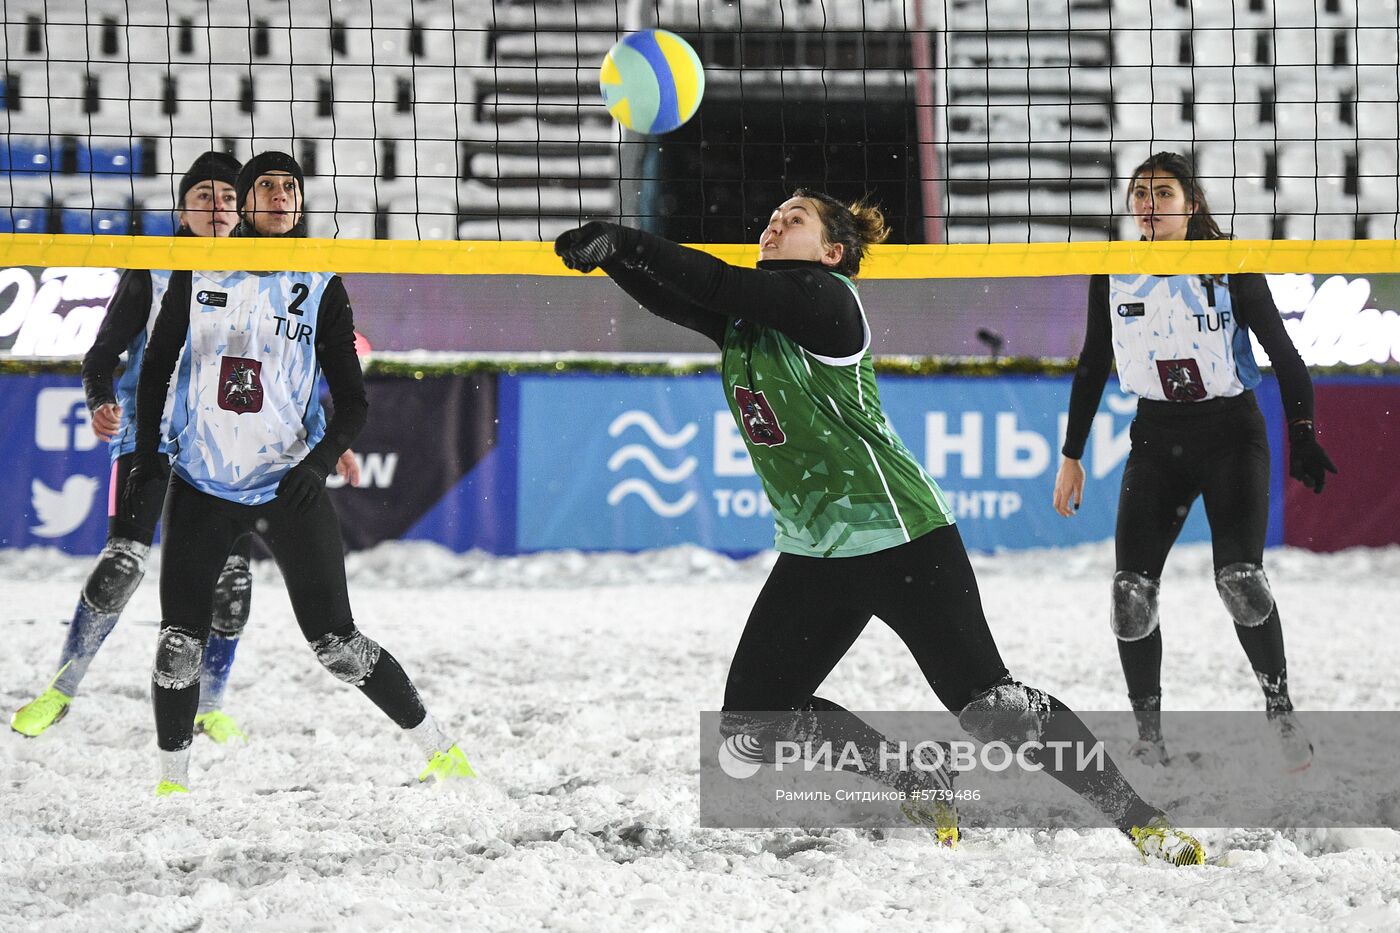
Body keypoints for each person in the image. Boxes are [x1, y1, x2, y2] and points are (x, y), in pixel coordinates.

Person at [555, 191, 1205, 866]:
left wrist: (625, 242)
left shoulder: (827, 301)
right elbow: (679, 299)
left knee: (990, 708)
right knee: (749, 731)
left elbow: (712, 282)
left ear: (832, 251)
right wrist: (608, 258)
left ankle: (1141, 819)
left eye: (795, 218)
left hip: (903, 539)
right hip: (816, 553)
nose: (774, 221)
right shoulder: (750, 320)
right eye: (771, 214)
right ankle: (913, 775)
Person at [130, 151, 473, 795]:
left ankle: (440, 749)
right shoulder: (200, 267)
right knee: (180, 642)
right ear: (245, 199)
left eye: (292, 187)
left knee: (337, 643)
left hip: (288, 486)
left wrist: (317, 463)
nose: (283, 196)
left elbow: (355, 400)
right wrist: (148, 451)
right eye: (268, 186)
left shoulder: (319, 280)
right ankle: (171, 784)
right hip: (204, 486)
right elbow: (155, 368)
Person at [1051, 151, 1335, 770]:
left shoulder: (1229, 261)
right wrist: (1071, 455)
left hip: (1231, 434)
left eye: (1163, 192)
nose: (1148, 203)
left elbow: (1285, 355)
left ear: (1192, 203)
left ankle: (1280, 708)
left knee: (1240, 581)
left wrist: (1304, 432)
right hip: (1157, 439)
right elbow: (1092, 362)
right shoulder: (1113, 268)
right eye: (1140, 192)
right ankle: (1149, 739)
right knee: (1130, 594)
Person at [12, 152, 262, 743]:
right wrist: (100, 397)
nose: (218, 206)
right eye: (204, 195)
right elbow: (100, 355)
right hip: (150, 435)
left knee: (231, 583)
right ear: (182, 209)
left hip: (229, 444)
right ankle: (61, 690)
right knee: (121, 565)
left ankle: (212, 705)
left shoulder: (263, 273)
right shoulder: (152, 268)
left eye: (227, 197)